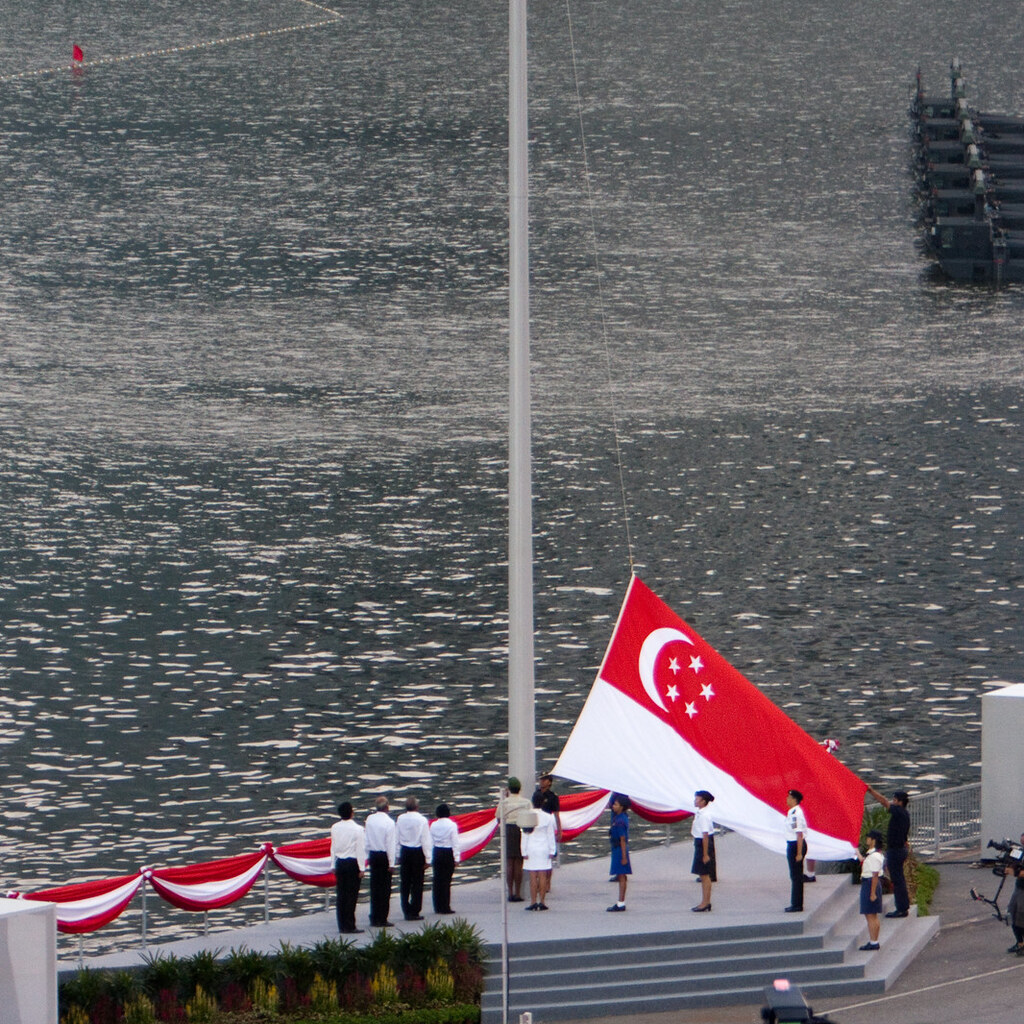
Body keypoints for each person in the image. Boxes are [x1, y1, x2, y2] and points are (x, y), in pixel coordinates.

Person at [867, 786, 911, 918]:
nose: (892, 802)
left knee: (897, 880)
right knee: (899, 879)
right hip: (900, 849)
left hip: (896, 851)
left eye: (895, 800)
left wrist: (871, 790)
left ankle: (901, 909)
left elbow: (883, 802)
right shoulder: (905, 814)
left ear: (899, 802)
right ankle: (903, 906)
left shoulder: (898, 811)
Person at [330, 801, 366, 934]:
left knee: (341, 895)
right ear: (352, 813)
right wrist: (362, 868)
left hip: (339, 862)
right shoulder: (358, 829)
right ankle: (350, 924)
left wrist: (333, 864)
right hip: (352, 863)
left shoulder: (334, 827)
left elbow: (333, 847)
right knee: (351, 895)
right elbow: (360, 849)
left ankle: (342, 925)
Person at [395, 795, 432, 921]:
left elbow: (397, 838)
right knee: (417, 882)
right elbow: (425, 840)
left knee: (405, 882)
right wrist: (428, 858)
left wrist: (397, 854)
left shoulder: (400, 819)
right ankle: (415, 909)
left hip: (405, 851)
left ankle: (406, 909)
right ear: (417, 806)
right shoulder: (422, 820)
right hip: (417, 851)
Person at [497, 777, 533, 902]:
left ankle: (510, 892)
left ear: (509, 789)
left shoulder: (504, 802)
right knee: (519, 862)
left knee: (509, 862)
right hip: (521, 829)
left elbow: (498, 818)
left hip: (508, 830)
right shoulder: (526, 802)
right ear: (520, 788)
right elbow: (530, 816)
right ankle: (518, 892)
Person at [365, 796, 397, 927]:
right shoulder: (389, 822)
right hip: (384, 856)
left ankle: (374, 916)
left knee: (374, 887)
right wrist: (391, 863)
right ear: (387, 807)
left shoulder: (369, 819)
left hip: (373, 854)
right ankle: (382, 917)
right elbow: (390, 844)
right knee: (384, 889)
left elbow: (366, 839)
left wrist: (366, 856)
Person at [523, 792, 557, 910]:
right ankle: (542, 901)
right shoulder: (548, 817)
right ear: (543, 802)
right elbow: (550, 834)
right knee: (543, 875)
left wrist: (523, 851)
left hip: (531, 847)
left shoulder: (528, 816)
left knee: (533, 876)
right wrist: (552, 850)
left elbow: (525, 835)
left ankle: (533, 902)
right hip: (544, 847)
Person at [429, 803, 460, 914]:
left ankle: (437, 906)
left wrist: (430, 855)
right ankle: (445, 906)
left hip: (437, 851)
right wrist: (456, 857)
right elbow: (455, 842)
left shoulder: (433, 825)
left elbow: (430, 841)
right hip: (448, 852)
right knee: (446, 880)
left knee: (437, 879)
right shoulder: (452, 825)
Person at [532, 774, 562, 886]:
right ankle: (540, 881)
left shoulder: (553, 797)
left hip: (548, 824)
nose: (542, 781)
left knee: (549, 855)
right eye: (541, 779)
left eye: (544, 780)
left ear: (549, 782)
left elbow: (556, 814)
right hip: (537, 825)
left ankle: (547, 882)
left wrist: (559, 830)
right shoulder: (536, 793)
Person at [859, 829, 885, 951]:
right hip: (869, 883)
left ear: (873, 840)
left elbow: (874, 875)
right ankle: (874, 940)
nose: (867, 839)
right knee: (871, 915)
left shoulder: (875, 856)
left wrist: (872, 893)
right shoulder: (873, 854)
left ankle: (874, 941)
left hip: (870, 884)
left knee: (871, 915)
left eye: (868, 837)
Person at [691, 790, 717, 912]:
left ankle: (705, 902)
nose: (695, 801)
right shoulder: (700, 813)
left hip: (703, 844)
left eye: (697, 799)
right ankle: (705, 901)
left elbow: (705, 835)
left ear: (703, 801)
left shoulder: (704, 816)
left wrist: (705, 854)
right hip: (700, 842)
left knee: (705, 875)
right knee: (702, 874)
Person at [607, 794, 631, 912]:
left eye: (616, 804)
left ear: (622, 807)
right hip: (617, 849)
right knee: (622, 876)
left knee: (621, 876)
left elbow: (622, 839)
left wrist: (623, 856)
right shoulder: (620, 817)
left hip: (619, 850)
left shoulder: (620, 820)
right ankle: (621, 901)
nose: (613, 806)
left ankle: (621, 902)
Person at [784, 789, 807, 912]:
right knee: (794, 875)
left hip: (796, 845)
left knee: (796, 876)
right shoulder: (791, 812)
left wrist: (799, 853)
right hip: (793, 844)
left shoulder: (796, 814)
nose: (787, 799)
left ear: (794, 799)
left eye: (789, 797)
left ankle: (797, 904)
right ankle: (795, 902)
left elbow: (799, 834)